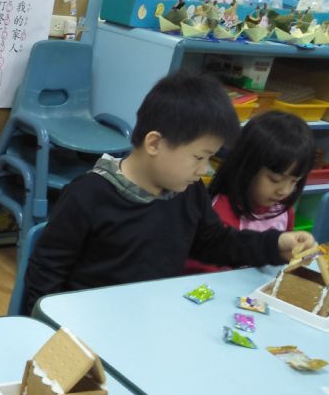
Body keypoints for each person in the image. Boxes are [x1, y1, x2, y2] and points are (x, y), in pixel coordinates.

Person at [21, 71, 314, 314]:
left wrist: (275, 245)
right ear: (155, 144)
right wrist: (46, 328)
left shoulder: (188, 192)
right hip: (89, 322)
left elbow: (217, 242)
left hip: (154, 317)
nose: (204, 169)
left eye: (209, 158)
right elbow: (46, 271)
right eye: (199, 157)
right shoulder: (88, 195)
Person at [186, 111, 315, 273]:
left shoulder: (282, 210)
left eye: (294, 181)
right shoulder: (220, 210)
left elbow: (282, 257)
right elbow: (203, 269)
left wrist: (293, 251)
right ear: (247, 168)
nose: (284, 191)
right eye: (275, 180)